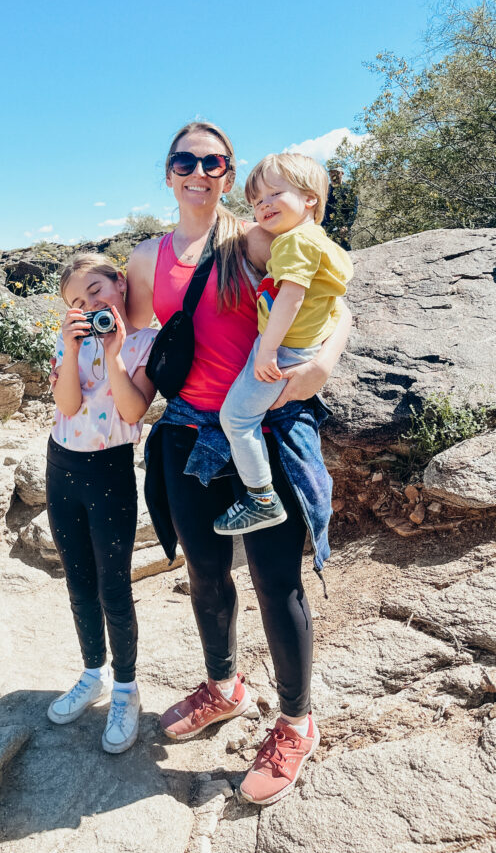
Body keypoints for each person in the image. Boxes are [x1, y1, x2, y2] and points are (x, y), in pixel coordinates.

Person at [125, 122, 351, 805]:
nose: (198, 170)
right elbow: (135, 340)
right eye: (184, 160)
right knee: (203, 572)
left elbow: (335, 297)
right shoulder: (144, 259)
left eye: (213, 161)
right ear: (167, 172)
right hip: (189, 432)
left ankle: (295, 722)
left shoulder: (253, 236)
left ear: (228, 173)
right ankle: (223, 688)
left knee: (275, 579)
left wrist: (325, 360)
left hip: (266, 423)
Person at [46, 253, 157, 754]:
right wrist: (72, 350)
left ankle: (126, 691)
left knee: (114, 585)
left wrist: (113, 353)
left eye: (96, 291)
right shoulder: (68, 339)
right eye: (76, 301)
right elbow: (67, 405)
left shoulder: (146, 341)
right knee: (78, 580)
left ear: (119, 282)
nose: (90, 305)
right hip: (62, 466)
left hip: (110, 470)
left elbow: (134, 410)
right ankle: (93, 674)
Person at [214, 153, 353, 536]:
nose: (264, 205)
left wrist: (267, 350)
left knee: (237, 419)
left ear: (311, 198)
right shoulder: (319, 242)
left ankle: (261, 499)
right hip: (296, 346)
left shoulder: (294, 243)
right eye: (257, 201)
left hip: (283, 348)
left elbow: (291, 297)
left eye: (275, 193)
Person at [322, 166, 358, 250]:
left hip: (343, 228)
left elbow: (353, 210)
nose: (334, 175)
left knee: (346, 251)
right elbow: (321, 209)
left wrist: (346, 226)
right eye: (331, 173)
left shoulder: (349, 190)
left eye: (337, 172)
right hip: (327, 228)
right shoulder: (325, 191)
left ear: (342, 173)